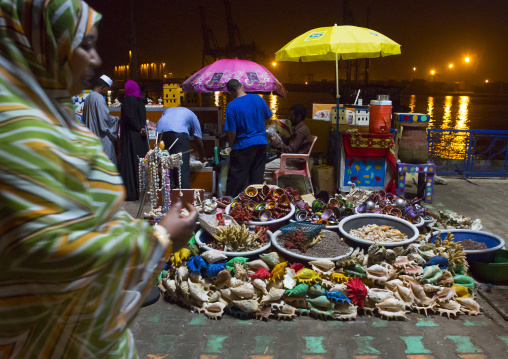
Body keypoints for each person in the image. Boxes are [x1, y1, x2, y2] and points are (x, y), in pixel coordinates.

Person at [0, 1, 197, 358]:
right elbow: (51, 252)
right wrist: (160, 236)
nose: (95, 60)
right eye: (84, 44)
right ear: (44, 45)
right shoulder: (20, 132)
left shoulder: (52, 113)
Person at [224, 79, 272, 197]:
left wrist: (232, 146)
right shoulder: (258, 98)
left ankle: (232, 206)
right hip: (261, 144)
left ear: (230, 92)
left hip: (243, 146)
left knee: (236, 181)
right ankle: (256, 207)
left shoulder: (231, 106)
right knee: (256, 180)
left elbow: (232, 132)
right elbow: (268, 117)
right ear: (242, 86)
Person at [156, 106, 205, 189]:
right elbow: (199, 140)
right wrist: (202, 156)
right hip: (178, 135)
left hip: (160, 134)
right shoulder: (193, 116)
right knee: (181, 169)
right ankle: (183, 198)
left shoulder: (168, 110)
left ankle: (168, 197)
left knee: (167, 167)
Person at [264, 104, 313, 184]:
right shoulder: (301, 128)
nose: (289, 118)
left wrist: (276, 142)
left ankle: (278, 189)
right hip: (292, 159)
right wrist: (279, 135)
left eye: (291, 116)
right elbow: (291, 142)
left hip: (293, 162)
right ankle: (278, 188)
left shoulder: (301, 131)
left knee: (263, 169)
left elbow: (290, 150)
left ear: (299, 117)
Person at [120, 80, 149, 201]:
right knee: (140, 164)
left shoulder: (128, 101)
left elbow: (128, 117)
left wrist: (137, 127)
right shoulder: (139, 102)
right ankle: (142, 191)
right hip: (140, 138)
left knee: (130, 163)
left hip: (131, 137)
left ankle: (131, 192)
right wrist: (141, 128)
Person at [83, 74, 120, 165]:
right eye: (107, 89)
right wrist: (117, 119)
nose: (107, 92)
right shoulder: (99, 98)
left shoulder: (88, 97)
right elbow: (105, 119)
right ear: (103, 87)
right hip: (101, 139)